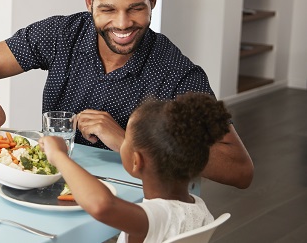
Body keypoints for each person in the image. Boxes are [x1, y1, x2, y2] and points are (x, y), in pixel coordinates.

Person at [0, 0, 253, 189]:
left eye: (135, 8)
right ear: (89, 2)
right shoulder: (60, 35)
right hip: (49, 187)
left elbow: (240, 170)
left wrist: (128, 141)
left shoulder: (176, 72)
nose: (122, 24)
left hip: (129, 209)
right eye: (108, 9)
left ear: (153, 0)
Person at [39, 93, 230, 242]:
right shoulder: (199, 208)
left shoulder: (155, 217)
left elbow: (103, 205)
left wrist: (59, 156)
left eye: (126, 141)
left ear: (137, 161)